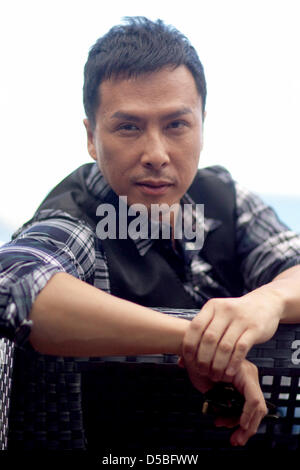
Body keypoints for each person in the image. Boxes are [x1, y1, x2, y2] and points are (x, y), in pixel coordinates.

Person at [1, 16, 300, 450]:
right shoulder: (78, 216)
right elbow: (16, 285)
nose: (156, 154)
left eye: (176, 125)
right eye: (129, 127)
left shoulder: (225, 196)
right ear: (91, 137)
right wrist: (204, 340)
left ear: (201, 125)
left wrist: (267, 301)